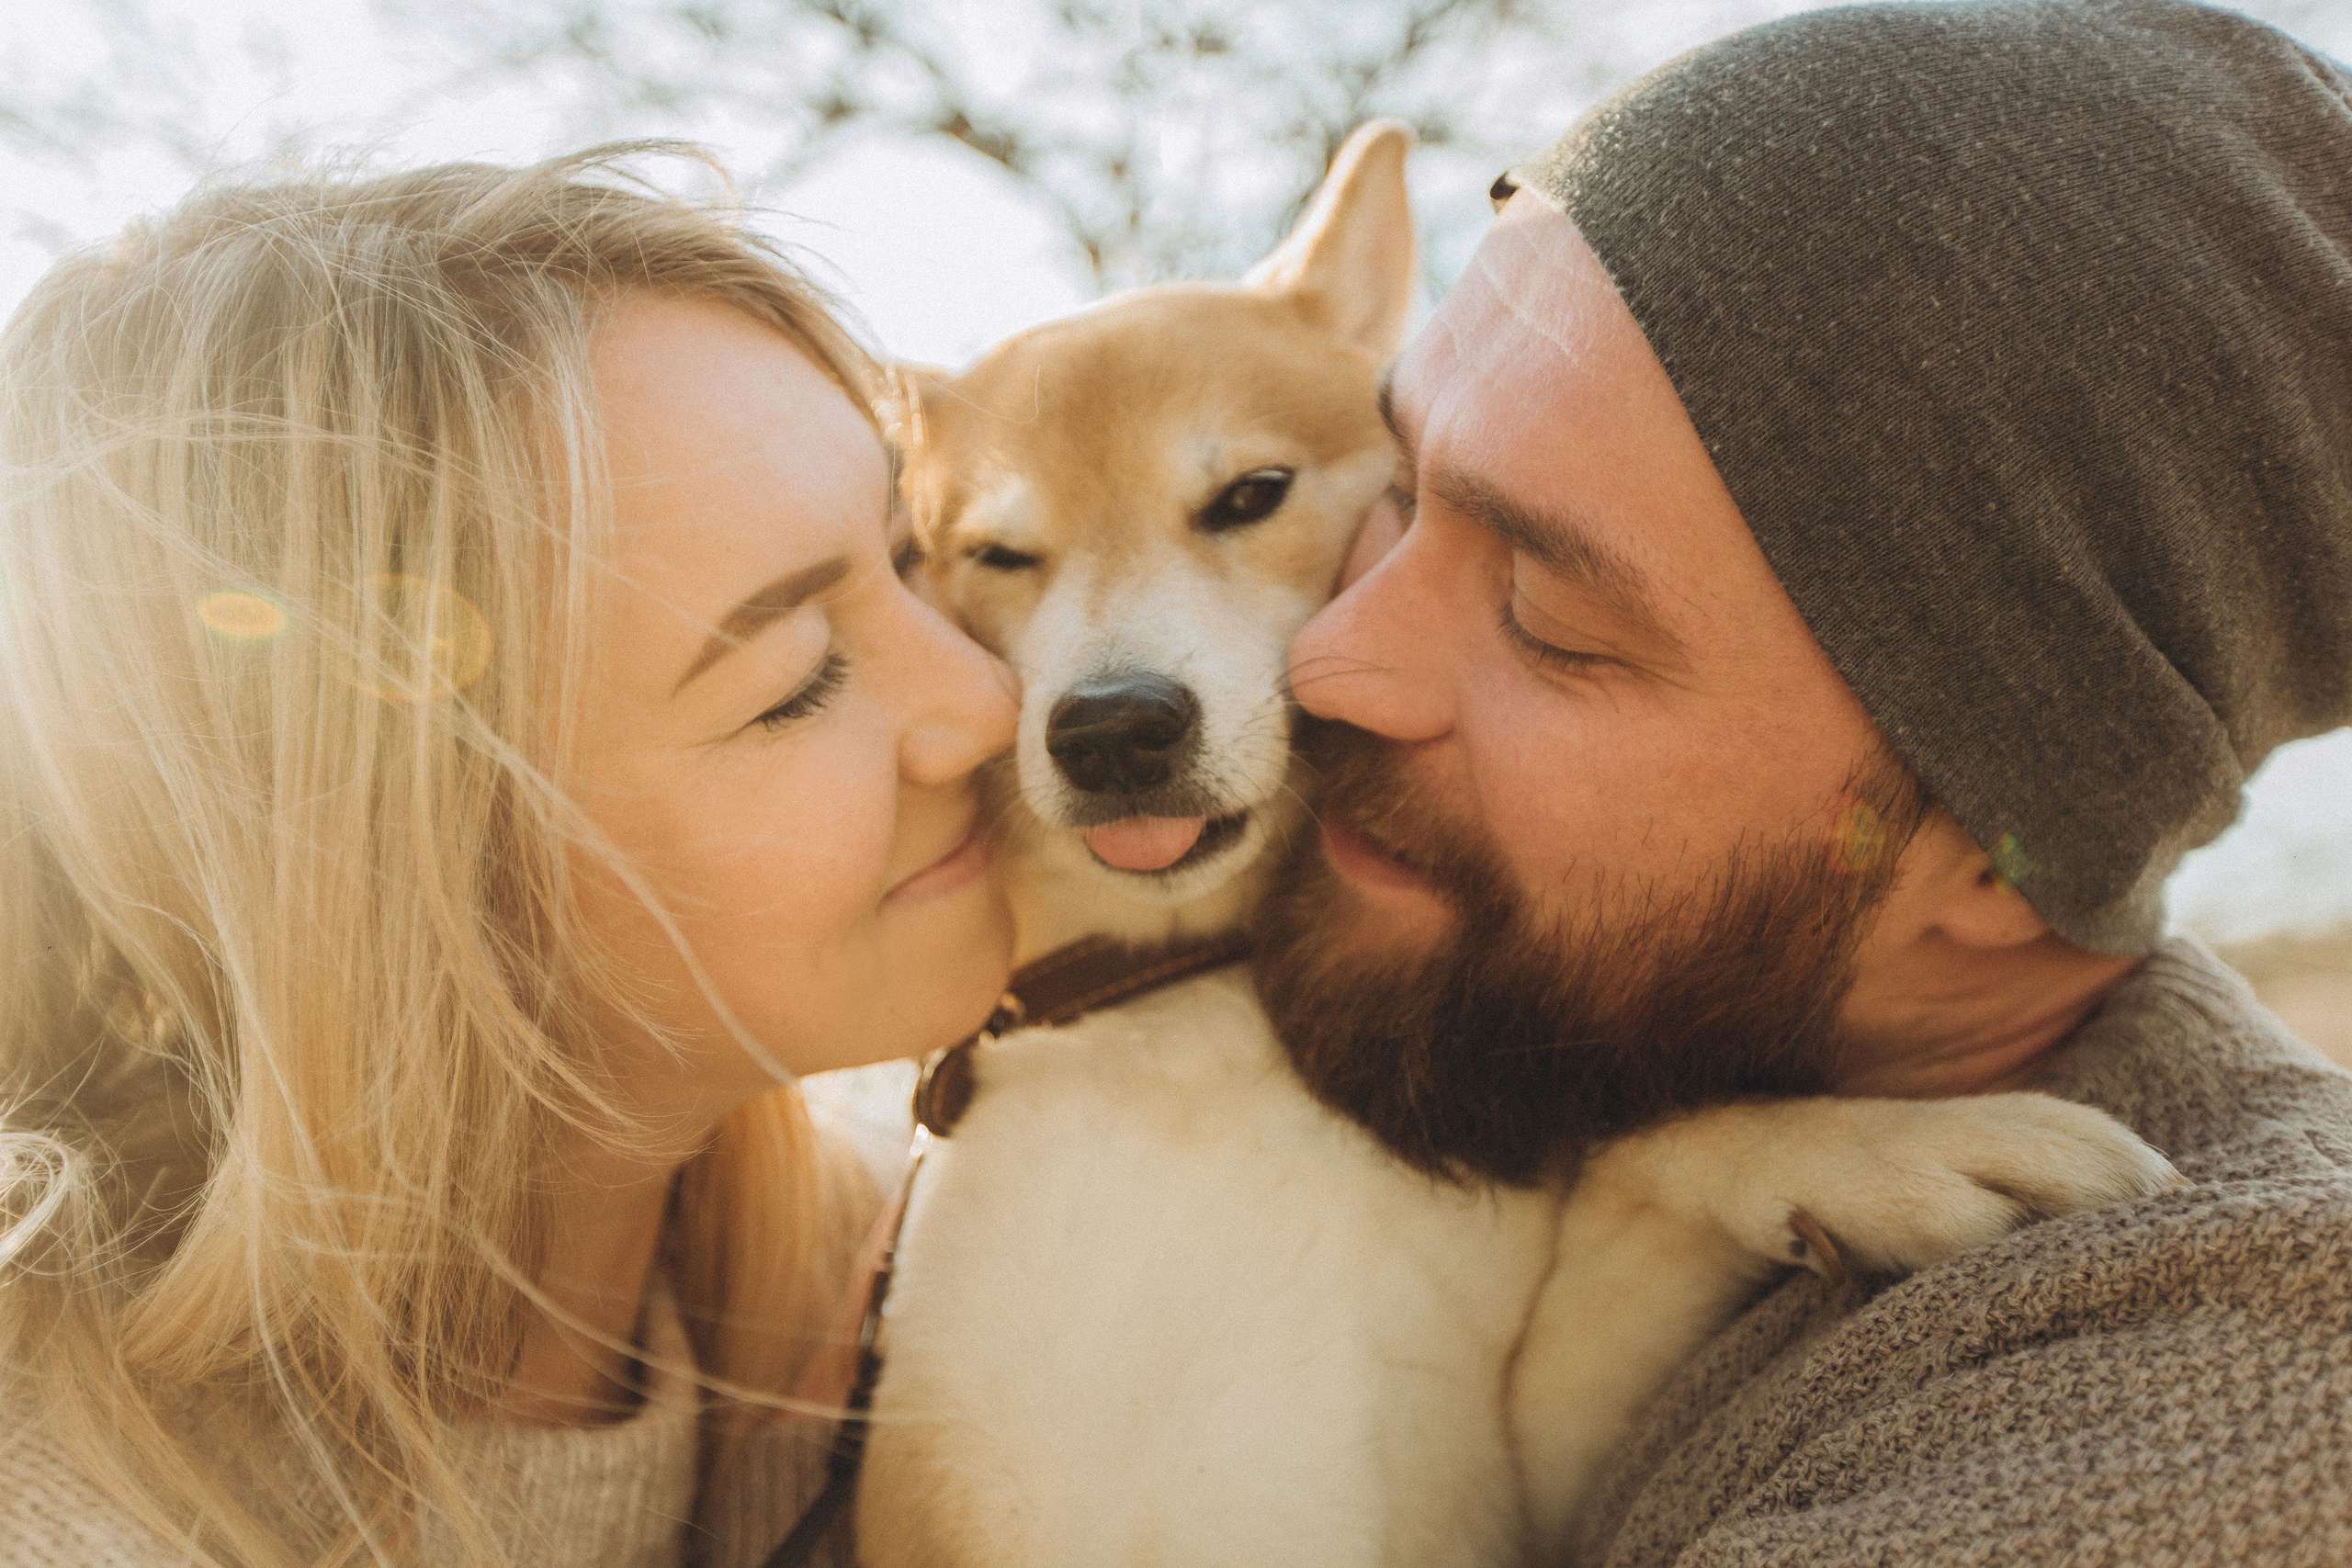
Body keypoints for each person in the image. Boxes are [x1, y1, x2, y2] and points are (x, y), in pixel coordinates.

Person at [1252, 0, 2352, 1561]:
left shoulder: (2227, 1409)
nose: (1328, 658)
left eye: (1554, 620)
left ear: (1994, 848)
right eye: (1396, 492)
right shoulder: (1544, 1040)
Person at [0, 147, 1016, 1566]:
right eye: (794, 679)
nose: (985, 702)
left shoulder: (902, 1326)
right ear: (392, 872)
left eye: (916, 560)